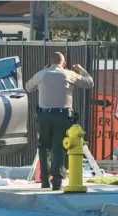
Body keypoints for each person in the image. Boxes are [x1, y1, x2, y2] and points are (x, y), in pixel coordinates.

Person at [25, 52, 94, 190]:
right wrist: (80, 69)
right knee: (59, 147)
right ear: (64, 63)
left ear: (50, 62)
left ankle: (44, 179)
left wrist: (44, 71)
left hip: (44, 116)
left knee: (43, 146)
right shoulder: (69, 74)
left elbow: (28, 87)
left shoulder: (42, 74)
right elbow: (89, 83)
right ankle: (56, 179)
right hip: (62, 116)